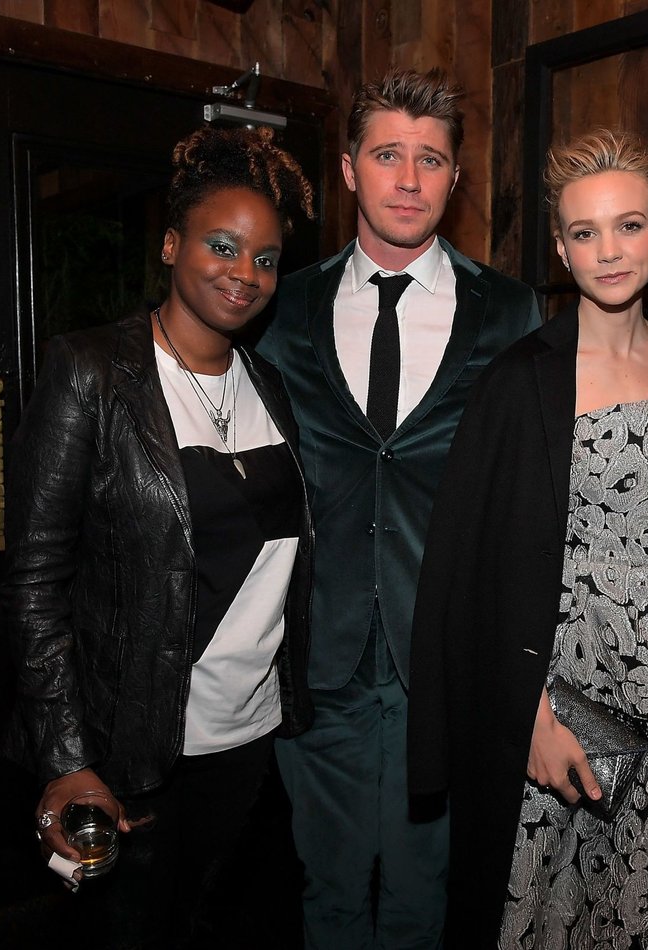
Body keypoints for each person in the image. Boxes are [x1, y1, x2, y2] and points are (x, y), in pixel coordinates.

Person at [1, 125, 315, 948]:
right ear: (172, 245)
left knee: (210, 920)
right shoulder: (92, 372)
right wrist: (67, 756)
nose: (245, 273)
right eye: (222, 246)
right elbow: (34, 581)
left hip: (249, 734)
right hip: (133, 746)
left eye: (266, 258)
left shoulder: (268, 384)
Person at [408, 129, 648, 949]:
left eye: (629, 226)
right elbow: (463, 573)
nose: (609, 251)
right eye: (585, 232)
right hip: (565, 685)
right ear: (560, 248)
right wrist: (529, 718)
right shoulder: (521, 379)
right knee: (554, 906)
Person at [258, 67, 540, 948]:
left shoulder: (510, 311)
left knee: (428, 898)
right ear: (349, 170)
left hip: (446, 656)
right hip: (317, 648)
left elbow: (529, 488)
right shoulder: (282, 307)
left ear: (456, 179)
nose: (409, 180)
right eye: (387, 156)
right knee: (328, 890)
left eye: (431, 159)